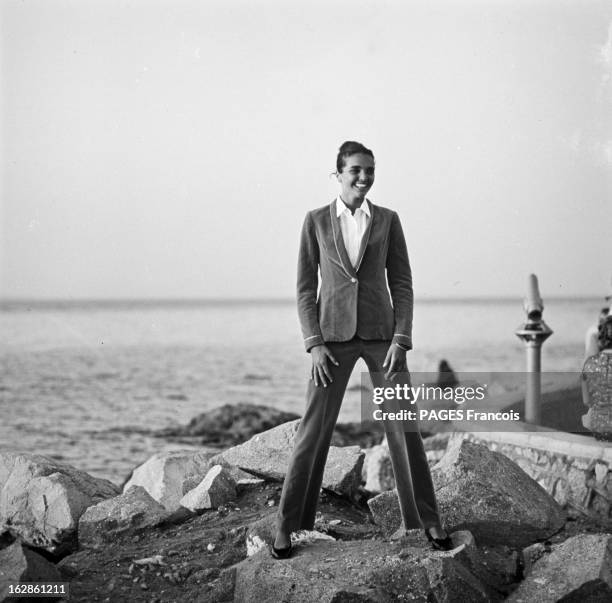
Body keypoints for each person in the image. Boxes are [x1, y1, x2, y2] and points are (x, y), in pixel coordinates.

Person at [272, 141, 453, 559]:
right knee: (313, 431)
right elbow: (304, 289)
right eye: (355, 170)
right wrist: (313, 343)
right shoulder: (315, 221)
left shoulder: (388, 220)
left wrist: (401, 338)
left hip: (381, 340)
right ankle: (287, 525)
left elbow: (402, 283)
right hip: (330, 343)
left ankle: (427, 521)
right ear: (338, 174)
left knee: (404, 429)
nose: (364, 177)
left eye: (369, 170)